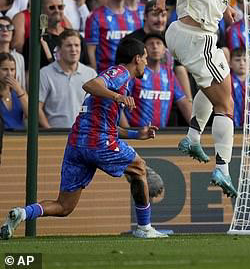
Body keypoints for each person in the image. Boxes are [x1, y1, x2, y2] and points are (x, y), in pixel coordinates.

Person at [0, 37, 167, 240]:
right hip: (97, 141)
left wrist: (136, 134)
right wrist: (118, 97)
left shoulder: (118, 81)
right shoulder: (120, 73)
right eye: (145, 58)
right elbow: (89, 84)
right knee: (139, 167)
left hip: (78, 143)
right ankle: (144, 228)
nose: (147, 63)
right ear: (137, 58)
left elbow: (107, 126)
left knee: (64, 206)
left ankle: (22, 213)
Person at [157, 0, 250, 198]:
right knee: (225, 105)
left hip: (186, 35)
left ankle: (193, 137)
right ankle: (223, 169)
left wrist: (225, 7)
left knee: (222, 77)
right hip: (195, 37)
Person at [122, 33, 191, 128]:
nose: (155, 47)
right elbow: (118, 104)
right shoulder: (135, 72)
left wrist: (198, 130)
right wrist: (127, 132)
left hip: (161, 136)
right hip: (136, 135)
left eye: (158, 43)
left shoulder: (169, 74)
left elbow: (183, 102)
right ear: (144, 51)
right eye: (150, 44)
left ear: (164, 50)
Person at [38, 30, 97, 129]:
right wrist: (49, 131)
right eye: (69, 46)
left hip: (84, 134)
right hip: (56, 134)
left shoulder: (90, 74)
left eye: (77, 45)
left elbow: (98, 107)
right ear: (59, 49)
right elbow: (37, 108)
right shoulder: (45, 73)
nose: (73, 49)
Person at [86, 0, 142, 73]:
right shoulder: (95, 16)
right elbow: (90, 49)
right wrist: (93, 74)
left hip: (132, 76)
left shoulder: (137, 15)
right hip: (106, 75)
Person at [0, 52, 27, 131]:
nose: (9, 74)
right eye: (4, 69)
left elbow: (32, 116)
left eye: (12, 70)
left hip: (19, 137)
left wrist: (19, 92)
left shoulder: (20, 92)